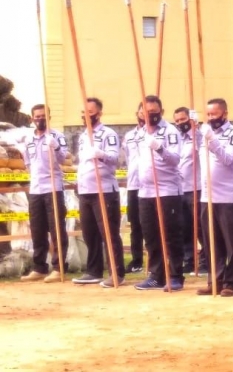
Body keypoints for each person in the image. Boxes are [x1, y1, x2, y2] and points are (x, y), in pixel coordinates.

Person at [133, 96, 185, 291]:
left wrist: (159, 148)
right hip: (145, 191)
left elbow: (175, 160)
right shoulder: (140, 132)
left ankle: (175, 275)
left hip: (167, 191)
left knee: (171, 235)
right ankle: (156, 275)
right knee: (151, 235)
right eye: (147, 113)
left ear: (161, 112)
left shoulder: (170, 132)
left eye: (155, 112)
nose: (151, 116)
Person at [73, 97, 125, 288]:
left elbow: (114, 160)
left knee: (109, 234)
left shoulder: (108, 134)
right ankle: (93, 271)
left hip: (104, 191)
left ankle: (117, 273)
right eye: (83, 113)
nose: (86, 116)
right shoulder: (82, 136)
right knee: (89, 233)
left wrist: (101, 154)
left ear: (99, 113)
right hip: (85, 190)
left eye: (90, 113)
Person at [197, 98, 233, 297]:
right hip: (208, 196)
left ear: (225, 114)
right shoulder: (205, 134)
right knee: (211, 242)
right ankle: (215, 280)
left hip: (229, 196)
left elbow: (228, 158)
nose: (210, 118)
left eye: (214, 114)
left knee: (231, 243)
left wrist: (213, 141)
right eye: (208, 114)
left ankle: (232, 283)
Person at [19, 104, 69, 283]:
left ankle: (59, 267)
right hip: (35, 189)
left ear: (49, 117)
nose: (40, 119)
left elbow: (64, 158)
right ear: (32, 118)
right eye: (37, 116)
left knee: (56, 229)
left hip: (53, 187)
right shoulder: (28, 139)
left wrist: (55, 147)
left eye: (43, 116)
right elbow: (27, 161)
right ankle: (39, 267)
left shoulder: (57, 136)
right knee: (37, 229)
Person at [174, 106, 207, 275]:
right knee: (185, 228)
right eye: (177, 121)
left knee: (200, 226)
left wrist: (197, 127)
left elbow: (205, 145)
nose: (180, 123)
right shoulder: (177, 139)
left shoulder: (197, 137)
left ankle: (206, 260)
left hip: (196, 188)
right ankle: (189, 260)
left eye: (183, 119)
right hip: (180, 189)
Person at [123, 104, 145, 274]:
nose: (144, 114)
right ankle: (137, 260)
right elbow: (129, 158)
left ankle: (157, 259)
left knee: (153, 225)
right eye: (141, 110)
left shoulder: (158, 134)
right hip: (134, 185)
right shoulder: (130, 136)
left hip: (152, 186)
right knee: (135, 226)